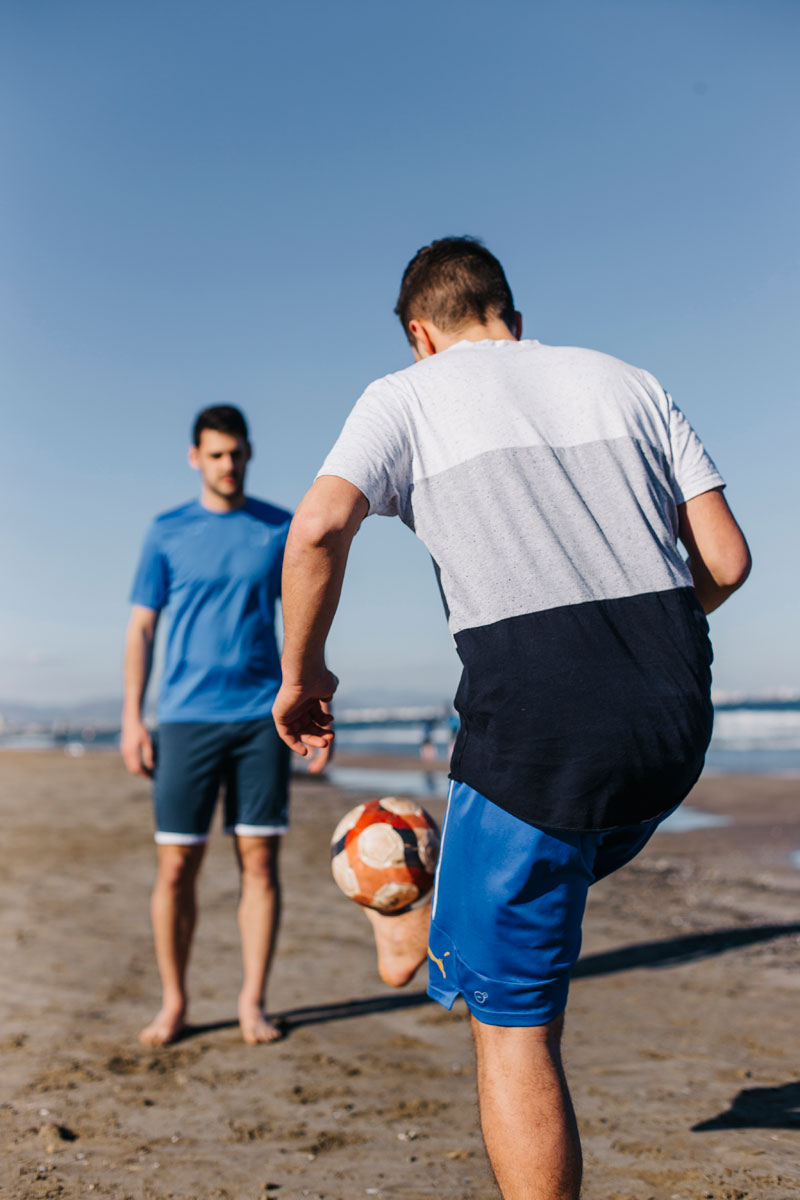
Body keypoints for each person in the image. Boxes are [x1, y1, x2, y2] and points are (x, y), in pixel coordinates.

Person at [271, 237, 750, 1200]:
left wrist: (304, 673)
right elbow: (729, 562)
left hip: (537, 733)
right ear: (511, 319)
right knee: (540, 879)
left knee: (512, 1020)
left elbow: (319, 525)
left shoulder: (405, 395)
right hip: (672, 727)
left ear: (421, 334)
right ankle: (429, 912)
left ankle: (412, 912)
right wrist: (631, 631)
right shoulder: (629, 381)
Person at [121, 405, 328, 1047]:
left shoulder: (277, 528)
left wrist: (314, 697)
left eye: (236, 454)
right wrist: (132, 717)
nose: (228, 465)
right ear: (195, 458)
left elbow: (303, 620)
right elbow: (142, 627)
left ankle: (251, 1002)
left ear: (247, 455)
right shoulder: (165, 532)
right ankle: (175, 1002)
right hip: (185, 718)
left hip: (258, 718)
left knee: (260, 862)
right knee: (177, 866)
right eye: (215, 454)